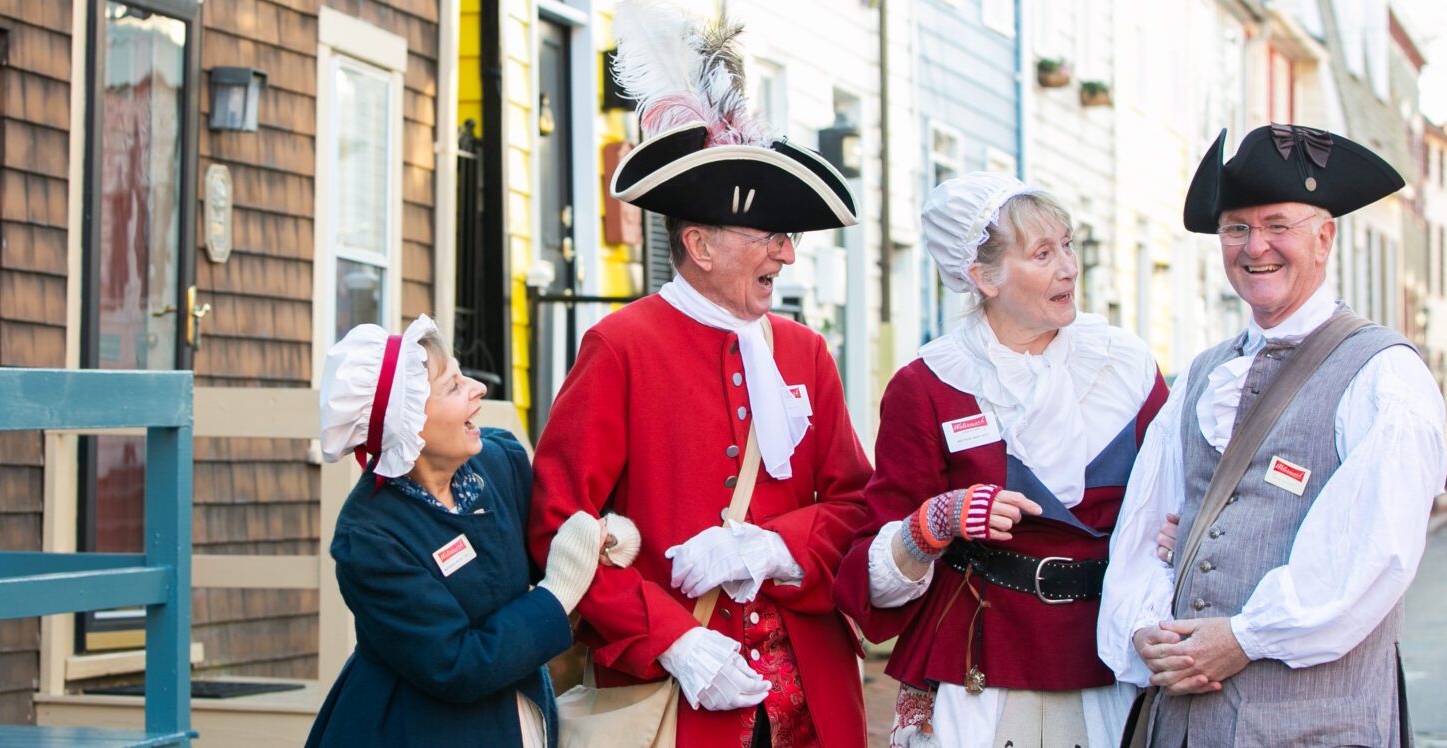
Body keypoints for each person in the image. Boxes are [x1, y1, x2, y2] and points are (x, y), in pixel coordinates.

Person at [527, 4, 871, 745]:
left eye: (788, 238)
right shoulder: (620, 347)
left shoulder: (805, 352)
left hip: (810, 699)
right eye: (769, 237)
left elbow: (854, 505)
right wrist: (672, 639)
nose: (785, 254)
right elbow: (560, 527)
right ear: (699, 245)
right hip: (676, 700)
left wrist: (772, 548)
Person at [1096, 124, 1447, 747]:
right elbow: (1149, 525)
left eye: (1277, 225)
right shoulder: (1200, 376)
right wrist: (1143, 629)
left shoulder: (1383, 374)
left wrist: (1243, 637)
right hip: (1185, 726)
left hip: (1315, 725)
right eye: (1237, 228)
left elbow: (1371, 551)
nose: (1256, 246)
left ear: (1324, 237)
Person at [833, 173, 1169, 748]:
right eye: (1043, 253)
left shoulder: (1127, 365)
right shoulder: (929, 384)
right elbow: (871, 572)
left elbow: (1174, 499)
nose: (1068, 267)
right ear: (983, 277)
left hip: (1109, 656)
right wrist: (936, 521)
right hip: (982, 665)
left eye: (1068, 244)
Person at [305, 315, 618, 748]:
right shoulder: (370, 540)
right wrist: (558, 594)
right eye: (453, 386)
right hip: (413, 731)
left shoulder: (500, 460)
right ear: (407, 421)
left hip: (519, 716)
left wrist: (603, 536)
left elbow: (543, 548)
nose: (478, 388)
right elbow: (456, 665)